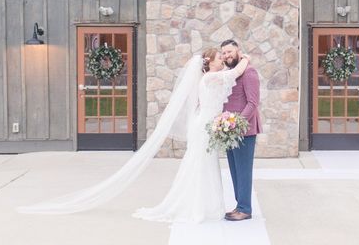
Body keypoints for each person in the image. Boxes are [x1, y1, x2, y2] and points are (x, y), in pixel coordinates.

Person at [18, 48, 251, 223]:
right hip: (203, 128)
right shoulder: (210, 78)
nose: (223, 60)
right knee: (201, 165)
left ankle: (207, 205)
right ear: (208, 62)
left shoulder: (207, 78)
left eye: (224, 57)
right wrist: (245, 58)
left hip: (206, 125)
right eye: (220, 58)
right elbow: (237, 71)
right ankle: (197, 206)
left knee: (205, 164)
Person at [219, 39, 261, 221]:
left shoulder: (249, 72)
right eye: (224, 53)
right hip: (229, 130)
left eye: (229, 51)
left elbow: (252, 103)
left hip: (245, 131)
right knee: (235, 170)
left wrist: (236, 124)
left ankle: (245, 209)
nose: (227, 55)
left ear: (238, 52)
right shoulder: (231, 73)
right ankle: (239, 205)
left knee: (243, 170)